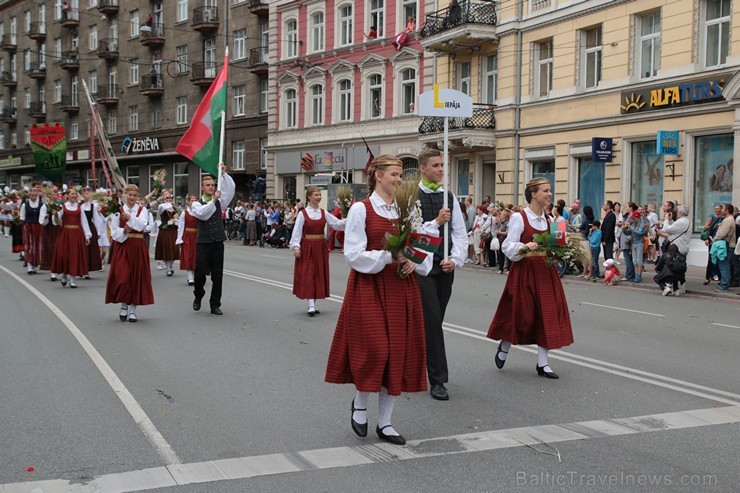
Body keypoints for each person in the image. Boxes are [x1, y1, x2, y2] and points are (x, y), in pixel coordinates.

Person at [325, 155, 435, 446]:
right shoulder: (361, 209)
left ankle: (385, 423)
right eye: (395, 174)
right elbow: (353, 253)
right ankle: (360, 402)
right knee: (376, 349)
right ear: (377, 176)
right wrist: (390, 256)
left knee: (396, 354)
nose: (399, 180)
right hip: (369, 286)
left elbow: (421, 245)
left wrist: (415, 262)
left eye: (401, 175)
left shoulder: (408, 208)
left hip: (401, 286)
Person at [487, 177, 573, 379]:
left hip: (545, 272)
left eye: (550, 191)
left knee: (547, 315)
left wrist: (563, 248)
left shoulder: (551, 220)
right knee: (522, 315)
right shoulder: (519, 217)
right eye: (545, 191)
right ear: (534, 194)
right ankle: (505, 345)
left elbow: (555, 250)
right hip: (525, 271)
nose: (549, 194)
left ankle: (543, 364)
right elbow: (508, 246)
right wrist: (525, 247)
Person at [415, 148, 466, 401]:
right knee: (433, 321)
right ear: (422, 168)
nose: (440, 170)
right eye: (435, 165)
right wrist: (435, 222)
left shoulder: (449, 196)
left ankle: (415, 360)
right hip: (422, 268)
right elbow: (413, 234)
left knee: (433, 322)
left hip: (444, 266)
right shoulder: (412, 196)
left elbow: (459, 231)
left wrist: (455, 259)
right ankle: (438, 380)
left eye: (442, 165)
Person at [290, 186, 346, 316]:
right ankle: (311, 304)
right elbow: (297, 231)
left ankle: (313, 303)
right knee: (309, 273)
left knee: (318, 273)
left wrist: (351, 218)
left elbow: (337, 224)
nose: (319, 197)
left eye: (319, 194)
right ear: (309, 197)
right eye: (316, 195)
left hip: (320, 246)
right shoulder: (302, 214)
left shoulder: (323, 212)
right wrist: (296, 247)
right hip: (307, 246)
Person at [191, 164, 235, 315]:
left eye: (212, 185)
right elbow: (203, 214)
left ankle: (215, 304)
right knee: (200, 273)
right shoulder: (196, 203)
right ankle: (198, 295)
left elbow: (231, 189)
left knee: (217, 276)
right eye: (208, 185)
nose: (211, 187)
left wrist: (224, 174)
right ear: (202, 188)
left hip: (217, 242)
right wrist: (213, 200)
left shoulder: (219, 202)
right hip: (203, 242)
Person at [106, 184, 154, 322]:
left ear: (138, 197)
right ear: (125, 195)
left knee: (136, 277)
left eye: (134, 195)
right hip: (124, 246)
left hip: (138, 246)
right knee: (123, 276)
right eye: (130, 195)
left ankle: (133, 309)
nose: (132, 198)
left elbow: (142, 225)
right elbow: (114, 232)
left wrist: (130, 218)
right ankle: (123, 305)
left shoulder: (143, 210)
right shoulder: (117, 210)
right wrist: (124, 231)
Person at [51, 188, 91, 288]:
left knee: (74, 256)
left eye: (75, 194)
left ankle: (72, 278)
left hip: (76, 234)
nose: (74, 195)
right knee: (64, 255)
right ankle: (64, 274)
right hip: (65, 233)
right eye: (72, 194)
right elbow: (56, 222)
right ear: (67, 195)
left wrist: (87, 235)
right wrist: (55, 215)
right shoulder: (62, 207)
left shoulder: (79, 207)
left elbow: (84, 222)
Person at [20, 185, 46, 274]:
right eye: (32, 195)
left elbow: (42, 218)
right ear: (29, 196)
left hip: (38, 226)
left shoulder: (42, 205)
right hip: (28, 226)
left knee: (37, 246)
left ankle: (34, 264)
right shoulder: (25, 205)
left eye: (35, 196)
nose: (33, 197)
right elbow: (22, 217)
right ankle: (29, 266)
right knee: (29, 245)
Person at [711, 204, 737, 292]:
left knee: (724, 266)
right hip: (728, 245)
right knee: (725, 265)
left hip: (726, 246)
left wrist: (714, 239)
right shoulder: (729, 219)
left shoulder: (728, 220)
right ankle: (725, 283)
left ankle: (724, 285)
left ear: (727, 210)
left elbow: (722, 234)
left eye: (723, 209)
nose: (722, 211)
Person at [155, 191, 180, 277]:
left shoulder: (174, 209)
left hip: (173, 229)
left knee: (174, 249)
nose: (169, 200)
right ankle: (168, 269)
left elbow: (178, 216)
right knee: (166, 249)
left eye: (170, 199)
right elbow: (162, 207)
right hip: (165, 230)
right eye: (167, 199)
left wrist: (175, 220)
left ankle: (171, 265)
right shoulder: (162, 207)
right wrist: (170, 204)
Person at [176, 195, 199, 286]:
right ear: (188, 202)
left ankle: (196, 274)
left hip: (197, 236)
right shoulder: (184, 213)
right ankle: (190, 277)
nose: (193, 202)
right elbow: (181, 226)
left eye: (195, 200)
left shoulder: (199, 212)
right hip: (188, 236)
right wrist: (179, 239)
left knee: (197, 256)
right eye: (191, 201)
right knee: (188, 256)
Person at [80, 187, 103, 275]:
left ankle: (87, 269)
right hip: (81, 228)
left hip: (91, 227)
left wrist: (98, 232)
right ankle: (82, 268)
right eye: (85, 193)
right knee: (82, 249)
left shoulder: (93, 206)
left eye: (88, 193)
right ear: (82, 195)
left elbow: (96, 219)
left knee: (90, 250)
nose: (87, 195)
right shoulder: (79, 205)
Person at [701, 204, 723, 285]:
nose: (716, 210)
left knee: (719, 260)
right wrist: (707, 238)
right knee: (711, 259)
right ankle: (708, 277)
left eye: (718, 209)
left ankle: (718, 277)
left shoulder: (724, 218)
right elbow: (707, 228)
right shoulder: (713, 218)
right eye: (715, 209)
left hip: (721, 242)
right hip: (712, 240)